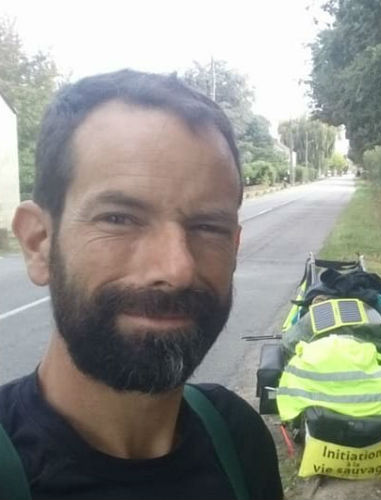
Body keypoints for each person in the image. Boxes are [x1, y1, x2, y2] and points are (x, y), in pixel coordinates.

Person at [0, 70, 283, 499]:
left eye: (208, 226)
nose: (177, 269)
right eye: (119, 219)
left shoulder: (237, 439)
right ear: (39, 243)